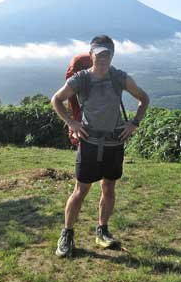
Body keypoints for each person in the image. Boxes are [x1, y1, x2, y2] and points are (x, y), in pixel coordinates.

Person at [50, 35, 149, 258]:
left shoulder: (120, 78)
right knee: (81, 190)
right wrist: (72, 122)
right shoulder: (81, 79)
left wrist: (134, 123)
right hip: (90, 142)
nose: (103, 58)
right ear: (92, 54)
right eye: (99, 54)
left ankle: (102, 230)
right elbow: (56, 99)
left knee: (109, 187)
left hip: (114, 143)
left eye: (107, 54)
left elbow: (144, 98)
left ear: (112, 55)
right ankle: (67, 234)